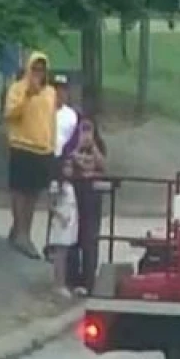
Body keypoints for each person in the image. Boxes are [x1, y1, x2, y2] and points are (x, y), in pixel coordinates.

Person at [4, 51, 57, 260]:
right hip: (21, 146)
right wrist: (28, 95)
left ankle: (22, 229)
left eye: (42, 70)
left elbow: (51, 121)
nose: (38, 73)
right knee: (19, 191)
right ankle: (21, 233)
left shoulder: (50, 92)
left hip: (42, 149)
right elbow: (10, 113)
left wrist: (52, 146)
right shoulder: (18, 89)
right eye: (35, 69)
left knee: (33, 193)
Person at [61, 115, 107, 294]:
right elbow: (67, 164)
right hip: (75, 194)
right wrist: (78, 146)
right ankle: (72, 278)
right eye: (83, 129)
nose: (87, 133)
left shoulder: (99, 146)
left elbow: (103, 166)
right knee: (73, 236)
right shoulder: (71, 146)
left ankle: (88, 280)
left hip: (92, 195)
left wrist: (93, 147)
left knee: (90, 238)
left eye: (90, 129)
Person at [45, 160, 79, 298]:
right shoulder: (55, 185)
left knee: (64, 253)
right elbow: (50, 205)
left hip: (70, 221)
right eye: (66, 166)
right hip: (61, 222)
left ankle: (62, 282)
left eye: (71, 167)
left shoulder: (70, 185)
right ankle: (58, 284)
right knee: (60, 254)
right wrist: (60, 217)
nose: (69, 169)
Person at [0, 42, 22, 120]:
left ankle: (8, 112)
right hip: (0, 69)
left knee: (9, 92)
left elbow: (19, 55)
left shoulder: (17, 40)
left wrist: (19, 66)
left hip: (10, 69)